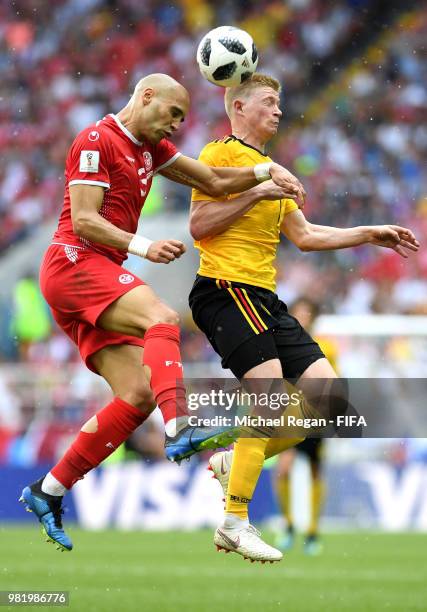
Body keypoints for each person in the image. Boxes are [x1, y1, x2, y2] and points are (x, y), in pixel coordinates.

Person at [19, 73, 305, 552]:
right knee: (162, 318)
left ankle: (48, 490)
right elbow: (85, 219)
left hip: (98, 272)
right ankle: (180, 428)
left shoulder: (153, 149)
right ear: (146, 97)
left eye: (181, 120)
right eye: (172, 114)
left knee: (135, 394)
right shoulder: (97, 138)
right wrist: (145, 246)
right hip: (74, 262)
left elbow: (212, 179)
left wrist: (263, 172)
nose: (175, 126)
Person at [188, 73, 419, 562]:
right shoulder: (219, 156)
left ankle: (235, 459)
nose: (277, 110)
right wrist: (256, 191)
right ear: (239, 106)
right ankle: (235, 520)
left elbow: (307, 235)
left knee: (327, 402)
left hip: (263, 297)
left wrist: (368, 233)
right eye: (268, 102)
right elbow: (199, 226)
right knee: (272, 402)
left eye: (279, 103)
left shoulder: (274, 168)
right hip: (227, 288)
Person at [274, 298, 338, 555]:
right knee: (284, 468)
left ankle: (312, 531)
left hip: (315, 416)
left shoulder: (327, 347)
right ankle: (289, 525)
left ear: (313, 317)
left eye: (306, 312)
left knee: (314, 472)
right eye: (298, 312)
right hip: (289, 414)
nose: (302, 317)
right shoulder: (281, 344)